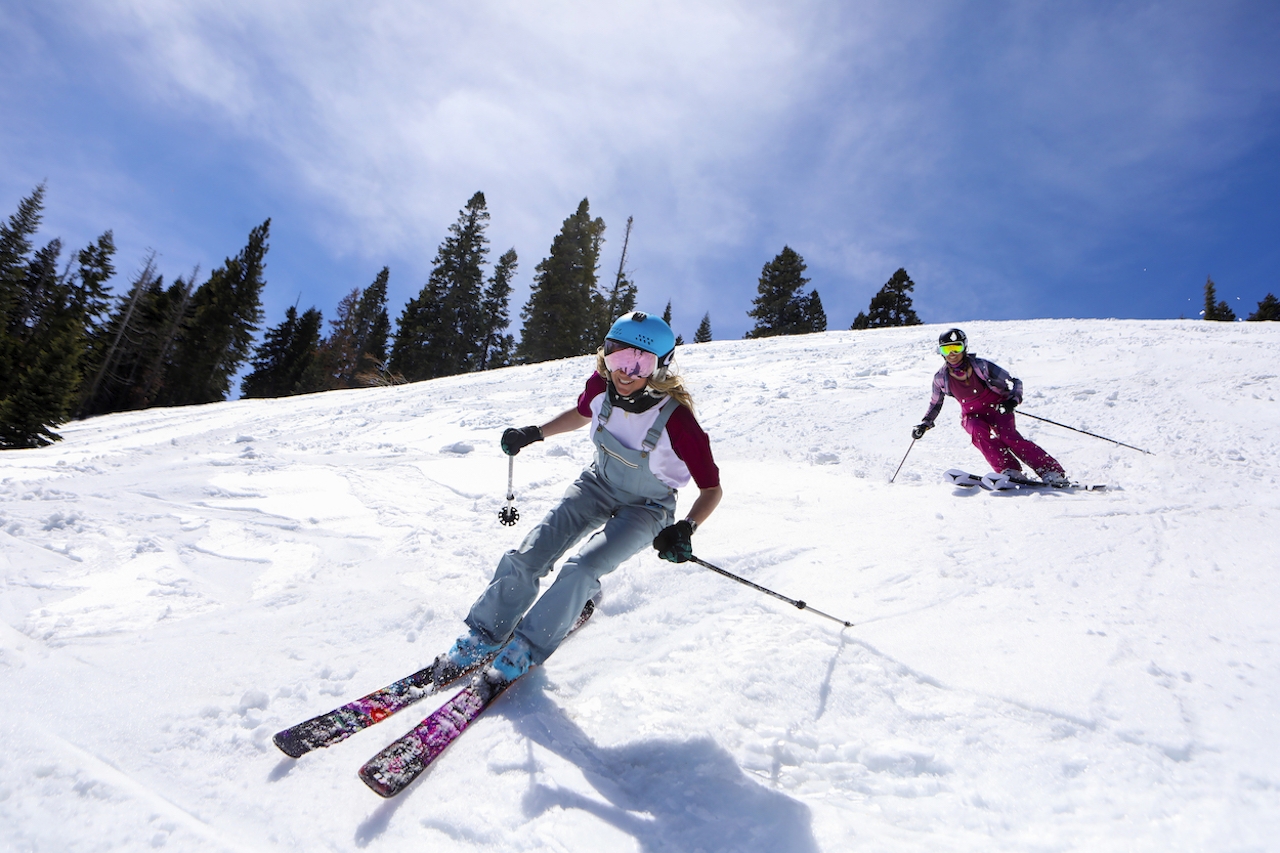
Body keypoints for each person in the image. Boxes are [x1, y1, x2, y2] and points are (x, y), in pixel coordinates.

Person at [434, 311, 723, 698]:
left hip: (648, 507)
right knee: (529, 554)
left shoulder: (680, 423)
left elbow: (711, 490)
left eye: (642, 363)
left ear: (661, 366)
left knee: (582, 567)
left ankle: (525, 648)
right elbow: (583, 413)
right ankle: (484, 634)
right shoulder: (601, 387)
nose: (626, 371)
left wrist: (685, 528)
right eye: (618, 356)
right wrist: (534, 433)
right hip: (597, 485)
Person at [912, 328, 1068, 485]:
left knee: (1009, 437)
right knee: (977, 432)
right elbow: (935, 403)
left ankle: (1050, 470)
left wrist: (1012, 401)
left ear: (965, 347)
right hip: (972, 414)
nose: (952, 353)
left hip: (998, 408)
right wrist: (925, 423)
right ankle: (1009, 469)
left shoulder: (982, 366)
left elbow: (1014, 382)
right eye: (946, 349)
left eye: (956, 347)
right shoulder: (941, 378)